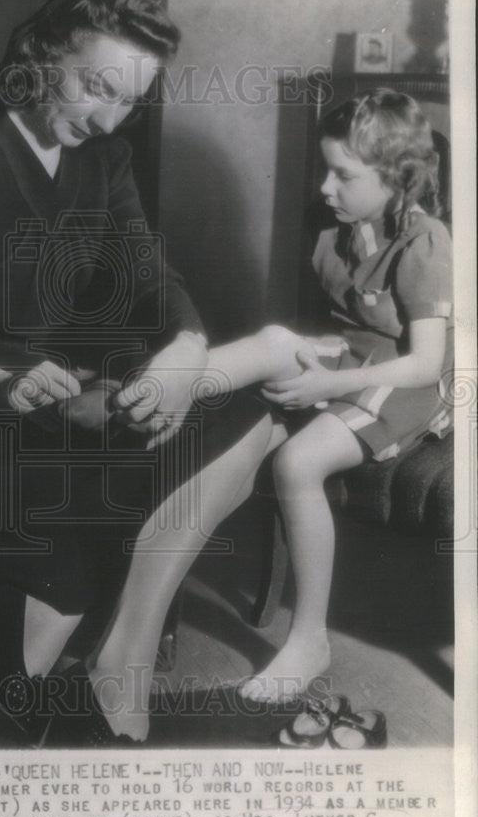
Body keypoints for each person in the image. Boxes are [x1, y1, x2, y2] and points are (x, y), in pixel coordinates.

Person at [0, 0, 275, 743]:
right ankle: (18, 681)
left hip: (65, 401)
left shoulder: (105, 157)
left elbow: (151, 272)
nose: (106, 116)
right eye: (95, 86)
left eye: (127, 101)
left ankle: (120, 655)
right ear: (42, 54)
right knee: (65, 574)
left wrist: (185, 348)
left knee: (253, 412)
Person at [90, 87, 453, 734]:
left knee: (296, 461)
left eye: (343, 174)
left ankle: (308, 639)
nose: (326, 186)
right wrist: (310, 365)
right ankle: (125, 653)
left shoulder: (426, 243)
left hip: (400, 381)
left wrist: (320, 388)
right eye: (325, 168)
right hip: (345, 359)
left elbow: (425, 364)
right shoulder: (329, 225)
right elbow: (328, 321)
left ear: (397, 177)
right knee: (238, 421)